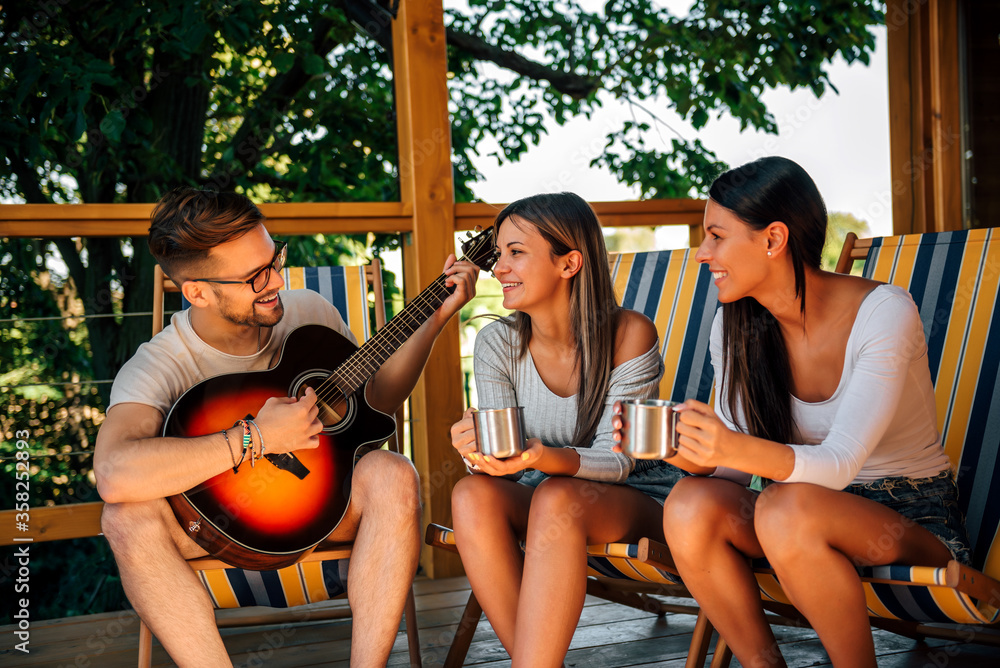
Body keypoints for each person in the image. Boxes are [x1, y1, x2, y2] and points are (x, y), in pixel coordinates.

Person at [94, 187, 479, 667]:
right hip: (216, 531)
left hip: (326, 509)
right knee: (124, 518)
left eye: (275, 259)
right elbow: (113, 472)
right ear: (197, 292)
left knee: (392, 470)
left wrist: (434, 322)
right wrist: (254, 438)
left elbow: (375, 404)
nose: (275, 279)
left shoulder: (310, 313)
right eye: (255, 277)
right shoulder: (159, 363)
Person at [614, 156, 970, 668]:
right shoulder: (735, 325)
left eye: (716, 236)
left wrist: (732, 445)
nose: (701, 253)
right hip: (790, 516)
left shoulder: (885, 312)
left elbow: (841, 462)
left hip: (909, 517)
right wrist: (688, 451)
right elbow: (736, 466)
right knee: (690, 503)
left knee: (784, 508)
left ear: (773, 240)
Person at [448, 192, 699, 667]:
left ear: (569, 263)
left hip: (639, 496)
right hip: (541, 490)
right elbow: (505, 465)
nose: (498, 268)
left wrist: (539, 456)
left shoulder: (628, 334)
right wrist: (477, 451)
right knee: (470, 495)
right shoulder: (497, 343)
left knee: (556, 496)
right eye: (498, 254)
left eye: (515, 252)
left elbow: (620, 458)